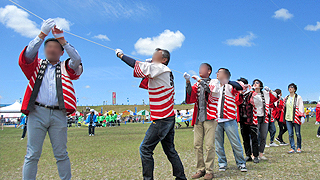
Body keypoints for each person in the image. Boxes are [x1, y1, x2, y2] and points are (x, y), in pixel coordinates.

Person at [19, 18, 83, 180]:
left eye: (55, 47)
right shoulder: (36, 64)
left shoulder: (66, 67)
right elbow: (27, 55)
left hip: (58, 113)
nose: (51, 50)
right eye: (48, 47)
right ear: (44, 50)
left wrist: (62, 40)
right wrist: (42, 35)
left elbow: (76, 60)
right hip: (37, 112)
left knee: (61, 153)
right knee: (32, 154)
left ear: (61, 52)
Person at [115, 48, 186, 180]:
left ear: (163, 60)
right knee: (170, 150)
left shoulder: (159, 67)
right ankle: (181, 177)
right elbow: (145, 76)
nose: (152, 56)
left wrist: (121, 55)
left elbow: (136, 65)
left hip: (161, 117)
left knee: (145, 149)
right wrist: (149, 62)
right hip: (168, 116)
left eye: (155, 55)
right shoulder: (163, 70)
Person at [184, 63, 220, 179]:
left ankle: (210, 170)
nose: (200, 70)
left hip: (210, 116)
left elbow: (210, 91)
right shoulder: (197, 83)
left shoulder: (214, 82)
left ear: (209, 71)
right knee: (197, 145)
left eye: (203, 68)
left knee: (209, 145)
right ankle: (200, 169)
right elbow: (191, 96)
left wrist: (200, 80)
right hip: (198, 117)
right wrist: (188, 82)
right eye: (200, 68)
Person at [214, 68, 248, 172]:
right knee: (218, 144)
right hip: (216, 120)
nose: (217, 74)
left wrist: (227, 81)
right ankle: (222, 163)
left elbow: (241, 87)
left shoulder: (231, 85)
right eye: (217, 73)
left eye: (220, 72)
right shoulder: (214, 85)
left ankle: (241, 163)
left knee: (235, 143)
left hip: (229, 118)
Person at [250, 79, 278, 160]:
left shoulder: (265, 93)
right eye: (254, 83)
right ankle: (253, 154)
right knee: (255, 135)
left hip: (264, 117)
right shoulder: (251, 94)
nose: (255, 84)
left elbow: (275, 98)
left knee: (263, 136)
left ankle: (261, 153)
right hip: (255, 117)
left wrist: (270, 91)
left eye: (257, 83)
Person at [235, 78, 259, 163]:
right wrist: (240, 93)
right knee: (245, 138)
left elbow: (256, 102)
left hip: (251, 119)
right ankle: (248, 155)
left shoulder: (252, 94)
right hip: (242, 119)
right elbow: (237, 102)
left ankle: (255, 155)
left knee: (254, 138)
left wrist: (251, 90)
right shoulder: (239, 94)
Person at [280, 83, 305, 153]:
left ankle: (299, 147)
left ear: (294, 89)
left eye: (291, 87)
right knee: (290, 133)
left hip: (296, 117)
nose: (290, 88)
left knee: (297, 133)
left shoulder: (298, 97)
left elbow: (301, 106)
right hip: (288, 118)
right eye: (289, 87)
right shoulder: (286, 98)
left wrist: (302, 116)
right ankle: (292, 147)